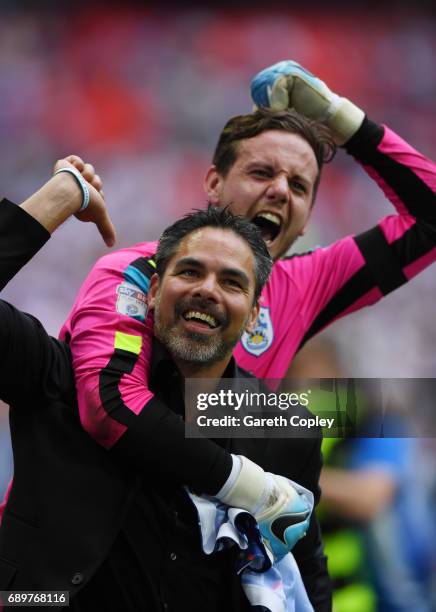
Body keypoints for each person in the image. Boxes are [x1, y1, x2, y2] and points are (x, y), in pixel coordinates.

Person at [57, 57, 436, 557]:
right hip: (87, 558)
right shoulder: (133, 274)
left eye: (298, 186)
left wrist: (342, 119)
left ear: (303, 223)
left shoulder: (300, 285)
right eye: (261, 172)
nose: (279, 190)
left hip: (204, 568)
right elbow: (110, 407)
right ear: (213, 184)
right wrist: (254, 478)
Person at [0, 169, 328, 610]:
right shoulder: (68, 378)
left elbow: (304, 577)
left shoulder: (285, 428)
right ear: (152, 291)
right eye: (190, 271)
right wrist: (57, 198)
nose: (207, 290)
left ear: (253, 316)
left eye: (231, 282)